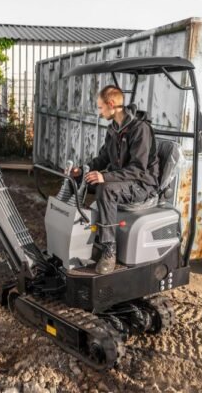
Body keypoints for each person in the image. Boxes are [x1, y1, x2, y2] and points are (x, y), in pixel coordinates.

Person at [74, 85, 159, 274]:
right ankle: (90, 238)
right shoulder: (113, 129)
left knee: (105, 188)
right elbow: (103, 158)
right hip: (124, 181)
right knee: (89, 181)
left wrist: (104, 176)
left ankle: (109, 249)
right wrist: (83, 170)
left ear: (111, 104)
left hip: (142, 185)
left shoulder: (140, 129)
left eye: (100, 107)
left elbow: (137, 169)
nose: (99, 112)